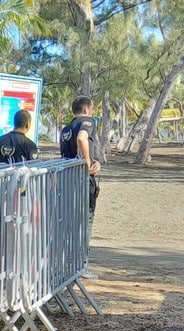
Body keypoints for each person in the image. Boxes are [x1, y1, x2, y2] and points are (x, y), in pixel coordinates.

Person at [60, 95, 101, 278]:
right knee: (85, 221)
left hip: (69, 181)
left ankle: (69, 263)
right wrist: (87, 163)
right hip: (83, 180)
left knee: (72, 223)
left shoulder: (66, 128)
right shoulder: (87, 122)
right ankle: (81, 266)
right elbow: (82, 138)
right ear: (86, 109)